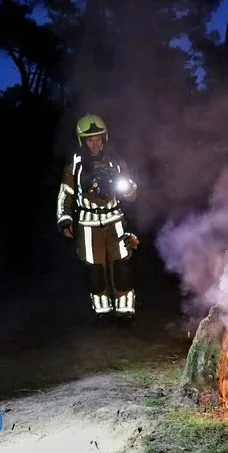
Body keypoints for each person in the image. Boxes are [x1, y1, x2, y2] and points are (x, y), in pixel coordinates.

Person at [56, 113, 139, 324]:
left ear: (105, 138)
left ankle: (125, 311)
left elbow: (131, 191)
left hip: (115, 221)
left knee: (122, 267)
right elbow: (66, 194)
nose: (95, 143)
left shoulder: (116, 161)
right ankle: (103, 312)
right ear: (82, 141)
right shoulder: (75, 164)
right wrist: (65, 220)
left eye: (98, 138)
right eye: (90, 139)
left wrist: (126, 189)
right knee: (95, 270)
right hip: (87, 225)